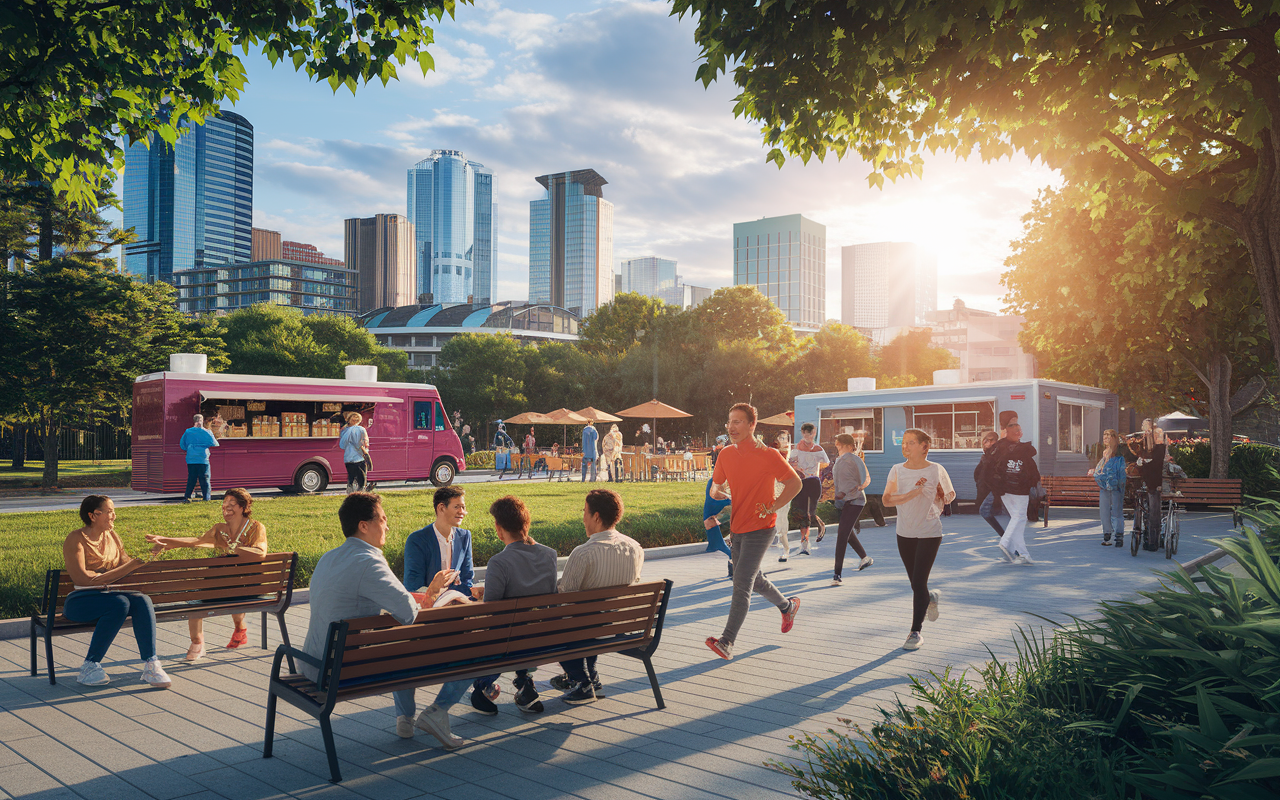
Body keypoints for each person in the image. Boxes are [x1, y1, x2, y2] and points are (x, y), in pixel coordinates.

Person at [302, 492, 470, 748]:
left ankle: (405, 716)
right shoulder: (370, 561)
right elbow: (409, 614)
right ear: (364, 526)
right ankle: (437, 712)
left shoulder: (329, 557)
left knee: (401, 646)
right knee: (468, 646)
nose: (387, 526)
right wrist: (433, 594)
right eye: (382, 519)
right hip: (342, 671)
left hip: (313, 662)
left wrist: (426, 593)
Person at [704, 403, 803, 661]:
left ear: (752, 425)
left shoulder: (769, 455)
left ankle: (727, 641)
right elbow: (716, 489)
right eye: (729, 421)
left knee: (742, 583)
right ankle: (787, 606)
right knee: (754, 579)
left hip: (761, 527)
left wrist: (774, 505)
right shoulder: (725, 454)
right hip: (737, 527)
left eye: (738, 421)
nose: (731, 426)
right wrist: (722, 496)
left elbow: (795, 483)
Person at [145, 488, 267, 660]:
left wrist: (231, 547)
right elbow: (197, 541)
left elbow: (260, 552)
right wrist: (166, 541)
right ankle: (203, 640)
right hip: (234, 587)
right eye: (224, 504)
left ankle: (202, 642)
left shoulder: (255, 527)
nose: (227, 508)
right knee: (215, 586)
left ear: (243, 507)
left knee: (199, 596)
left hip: (245, 587)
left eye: (232, 504)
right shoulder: (219, 529)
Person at [62, 495, 172, 688]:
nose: (114, 516)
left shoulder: (112, 536)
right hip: (80, 601)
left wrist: (153, 553)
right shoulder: (76, 539)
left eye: (113, 511)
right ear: (93, 515)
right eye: (109, 511)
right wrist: (130, 566)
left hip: (109, 597)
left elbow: (127, 568)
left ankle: (151, 664)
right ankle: (90, 665)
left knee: (142, 600)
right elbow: (82, 579)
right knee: (120, 603)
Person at [549, 489, 645, 703]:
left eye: (584, 512)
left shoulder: (583, 553)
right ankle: (592, 678)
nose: (582, 517)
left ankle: (583, 683)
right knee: (590, 617)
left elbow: (566, 596)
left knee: (554, 621)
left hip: (586, 628)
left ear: (596, 516)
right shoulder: (635, 548)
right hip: (617, 626)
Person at [470, 496, 558, 715]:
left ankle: (482, 685)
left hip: (510, 639)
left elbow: (491, 609)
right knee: (520, 626)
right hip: (543, 636)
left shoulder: (499, 562)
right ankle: (524, 683)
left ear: (499, 530)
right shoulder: (549, 555)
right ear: (526, 525)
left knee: (497, 629)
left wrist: (479, 596)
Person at [880, 429, 955, 651]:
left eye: (911, 442)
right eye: (903, 443)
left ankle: (915, 632)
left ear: (924, 446)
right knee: (915, 583)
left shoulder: (936, 470)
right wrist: (911, 495)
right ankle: (930, 597)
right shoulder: (897, 470)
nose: (905, 446)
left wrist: (936, 500)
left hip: (930, 531)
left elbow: (948, 496)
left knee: (918, 582)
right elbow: (886, 500)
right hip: (904, 532)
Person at [993, 422, 1040, 564]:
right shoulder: (1024, 449)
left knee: (1018, 519)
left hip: (1004, 489)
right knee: (1019, 517)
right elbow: (1032, 457)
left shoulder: (1000, 448)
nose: (1019, 433)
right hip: (1020, 489)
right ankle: (1005, 542)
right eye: (1018, 431)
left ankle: (1023, 553)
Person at [830, 433, 872, 585]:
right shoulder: (838, 461)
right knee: (847, 532)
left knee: (842, 534)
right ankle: (865, 558)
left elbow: (865, 479)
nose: (837, 446)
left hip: (856, 500)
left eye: (838, 443)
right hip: (844, 501)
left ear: (846, 445)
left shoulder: (855, 459)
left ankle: (837, 574)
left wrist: (857, 488)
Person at [788, 423, 830, 554]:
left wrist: (815, 468)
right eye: (805, 433)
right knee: (802, 514)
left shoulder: (818, 449)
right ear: (802, 434)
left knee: (811, 512)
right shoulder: (796, 448)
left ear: (814, 434)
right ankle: (804, 542)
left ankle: (820, 525)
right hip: (801, 482)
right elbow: (789, 463)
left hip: (814, 481)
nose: (807, 436)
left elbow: (826, 463)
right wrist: (797, 468)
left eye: (810, 434)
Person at [1131, 419, 1167, 551]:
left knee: (1153, 513)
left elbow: (1155, 465)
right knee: (1147, 511)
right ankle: (1148, 537)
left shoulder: (1159, 448)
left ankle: (1153, 541)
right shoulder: (1146, 447)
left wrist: (1143, 464)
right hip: (1147, 483)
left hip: (1153, 484)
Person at [1088, 429, 1128, 547]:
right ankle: (1107, 534)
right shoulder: (1104, 453)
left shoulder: (1119, 455)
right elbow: (1101, 469)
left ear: (1113, 438)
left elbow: (1120, 473)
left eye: (1108, 436)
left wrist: (1121, 487)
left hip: (1115, 487)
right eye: (1104, 435)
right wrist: (1095, 471)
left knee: (1116, 511)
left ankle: (1119, 536)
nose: (1105, 438)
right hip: (1104, 486)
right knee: (1104, 511)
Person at [974, 430, 1010, 538]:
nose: (988, 443)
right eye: (986, 440)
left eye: (991, 440)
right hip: (989, 489)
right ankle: (1005, 536)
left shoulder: (996, 452)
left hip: (997, 489)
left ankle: (1006, 537)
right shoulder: (986, 455)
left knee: (989, 511)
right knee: (986, 511)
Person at [179, 414, 220, 502]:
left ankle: (187, 496)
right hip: (203, 458)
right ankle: (206, 498)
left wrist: (190, 448)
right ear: (202, 421)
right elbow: (215, 443)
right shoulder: (207, 431)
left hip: (191, 459)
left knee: (191, 478)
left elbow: (182, 445)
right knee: (205, 478)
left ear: (194, 421)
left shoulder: (188, 432)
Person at [339, 412, 370, 494]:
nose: (355, 420)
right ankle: (361, 493)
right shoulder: (360, 429)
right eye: (354, 418)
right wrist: (366, 453)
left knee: (351, 476)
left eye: (357, 418)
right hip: (359, 456)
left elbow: (342, 445)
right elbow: (365, 442)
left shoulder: (343, 430)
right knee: (362, 476)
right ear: (349, 419)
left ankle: (350, 492)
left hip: (348, 457)